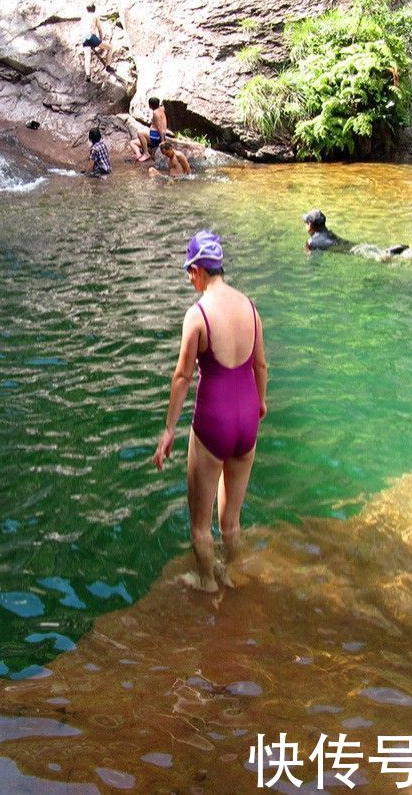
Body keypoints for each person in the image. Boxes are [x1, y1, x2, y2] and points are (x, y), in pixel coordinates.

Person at [152, 231, 268, 592]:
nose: (189, 278)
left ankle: (206, 582)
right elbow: (261, 366)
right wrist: (260, 404)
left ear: (200, 270)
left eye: (190, 271)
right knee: (231, 523)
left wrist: (169, 429)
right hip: (247, 420)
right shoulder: (250, 306)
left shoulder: (198, 314)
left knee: (200, 526)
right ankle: (231, 574)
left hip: (213, 422)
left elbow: (183, 376)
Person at [302, 209, 412, 263]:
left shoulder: (311, 242)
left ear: (311, 225)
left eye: (306, 223)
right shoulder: (329, 233)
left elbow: (311, 259)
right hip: (354, 245)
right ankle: (389, 251)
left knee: (376, 259)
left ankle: (388, 253)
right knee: (364, 249)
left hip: (349, 252)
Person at [80, 4, 114, 80]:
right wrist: (100, 40)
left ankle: (88, 75)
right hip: (92, 37)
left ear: (87, 9)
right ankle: (108, 67)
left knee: (87, 57)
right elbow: (100, 30)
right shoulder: (95, 16)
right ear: (94, 10)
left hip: (84, 38)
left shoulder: (83, 17)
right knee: (110, 48)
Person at [132, 97, 171, 161]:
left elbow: (159, 127)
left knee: (140, 133)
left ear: (150, 105)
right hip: (157, 135)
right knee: (133, 142)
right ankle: (139, 154)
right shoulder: (161, 109)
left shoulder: (155, 113)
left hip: (156, 137)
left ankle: (146, 153)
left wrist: (162, 140)